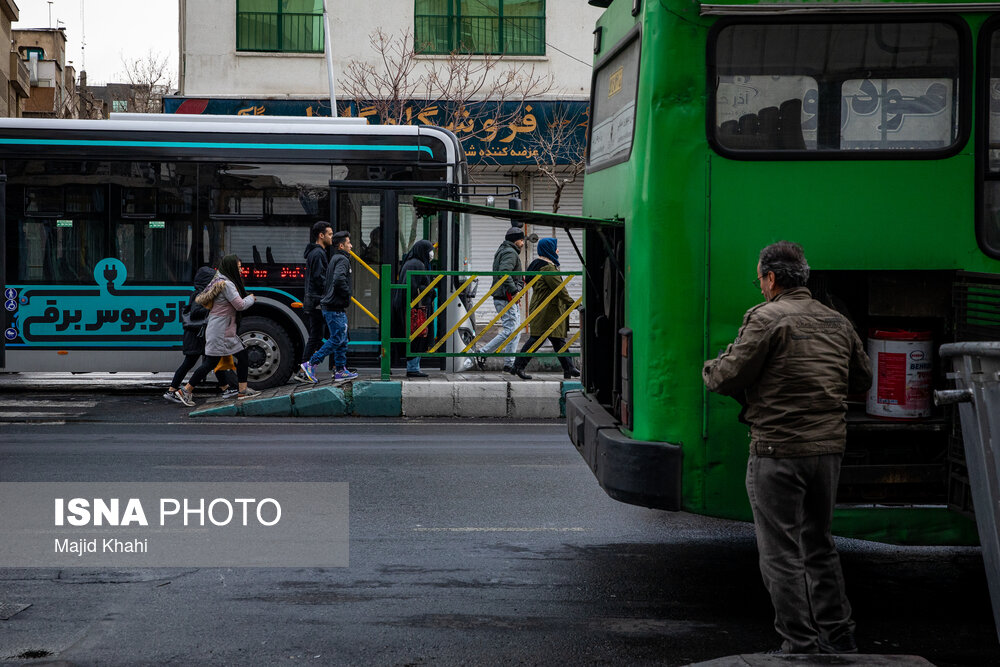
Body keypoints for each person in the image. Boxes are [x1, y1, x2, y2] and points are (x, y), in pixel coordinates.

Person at [702, 241, 871, 655]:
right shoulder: (838, 322)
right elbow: (863, 381)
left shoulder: (767, 318)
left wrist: (708, 367)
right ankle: (839, 633)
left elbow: (727, 376)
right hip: (828, 450)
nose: (760, 287)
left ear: (771, 278)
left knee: (781, 552)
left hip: (777, 451)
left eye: (760, 279)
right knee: (820, 543)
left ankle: (800, 643)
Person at [178, 255, 261, 403]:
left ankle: (242, 390)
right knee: (211, 363)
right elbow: (240, 305)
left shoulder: (219, 281)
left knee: (241, 356)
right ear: (231, 268)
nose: (241, 270)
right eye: (239, 267)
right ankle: (186, 390)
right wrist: (251, 299)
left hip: (222, 329)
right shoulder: (227, 285)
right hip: (221, 331)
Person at [510, 237, 580, 380]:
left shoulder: (539, 265)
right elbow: (560, 290)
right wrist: (575, 304)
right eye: (555, 248)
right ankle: (518, 366)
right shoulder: (548, 268)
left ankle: (569, 368)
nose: (558, 250)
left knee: (557, 340)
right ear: (549, 250)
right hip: (546, 310)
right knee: (537, 339)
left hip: (547, 309)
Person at [299, 231, 359, 383]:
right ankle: (311, 363)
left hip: (332, 306)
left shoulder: (335, 258)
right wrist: (347, 294)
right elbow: (339, 280)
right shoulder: (343, 260)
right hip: (334, 306)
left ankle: (340, 370)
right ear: (341, 245)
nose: (351, 245)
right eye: (348, 243)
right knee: (337, 338)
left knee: (342, 339)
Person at [163, 265, 217, 406]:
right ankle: (171, 390)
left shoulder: (200, 293)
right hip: (194, 336)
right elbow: (195, 312)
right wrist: (210, 309)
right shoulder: (200, 294)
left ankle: (226, 388)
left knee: (211, 361)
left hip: (197, 335)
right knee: (193, 363)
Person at [478, 226, 526, 373]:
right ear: (515, 240)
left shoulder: (504, 250)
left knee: (515, 330)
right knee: (511, 329)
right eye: (521, 239)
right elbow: (504, 272)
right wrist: (514, 290)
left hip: (505, 296)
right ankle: (483, 352)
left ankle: (509, 362)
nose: (523, 243)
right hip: (506, 296)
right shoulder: (510, 253)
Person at [291, 221, 334, 383]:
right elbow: (319, 278)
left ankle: (304, 369)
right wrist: (331, 292)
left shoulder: (315, 253)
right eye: (329, 234)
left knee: (317, 336)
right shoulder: (318, 254)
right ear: (321, 235)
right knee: (337, 334)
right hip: (319, 301)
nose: (331, 237)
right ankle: (337, 368)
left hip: (315, 301)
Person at [393, 239, 436, 378]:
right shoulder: (416, 264)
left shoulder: (413, 263)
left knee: (416, 337)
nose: (432, 253)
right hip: (415, 310)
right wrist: (430, 290)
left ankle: (414, 366)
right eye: (430, 250)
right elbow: (413, 287)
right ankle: (413, 367)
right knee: (417, 337)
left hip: (411, 308)